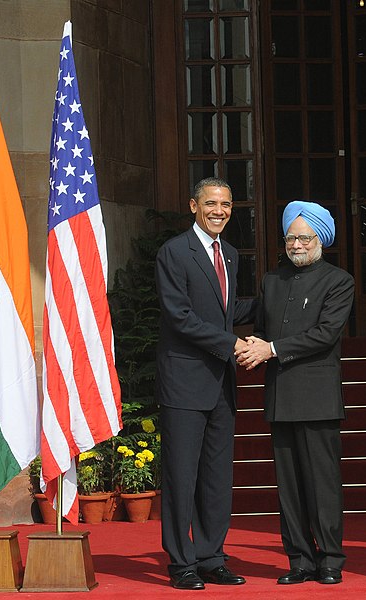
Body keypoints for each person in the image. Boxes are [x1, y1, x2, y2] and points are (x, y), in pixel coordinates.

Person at [236, 201, 355, 585]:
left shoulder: (339, 281)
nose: (297, 245)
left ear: (320, 239)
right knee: (288, 487)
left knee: (322, 483)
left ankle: (331, 559)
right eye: (291, 238)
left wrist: (269, 349)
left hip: (317, 397)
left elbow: (325, 334)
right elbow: (259, 325)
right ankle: (300, 560)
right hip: (281, 396)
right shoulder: (272, 280)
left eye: (305, 237)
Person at [155, 177, 256, 590]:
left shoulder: (230, 254)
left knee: (216, 477)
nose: (220, 211)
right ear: (194, 205)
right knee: (182, 477)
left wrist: (279, 295)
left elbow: (226, 310)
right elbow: (179, 316)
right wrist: (232, 343)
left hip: (220, 385)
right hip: (184, 383)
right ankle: (181, 563)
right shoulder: (174, 252)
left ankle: (212, 556)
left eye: (227, 205)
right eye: (212, 203)